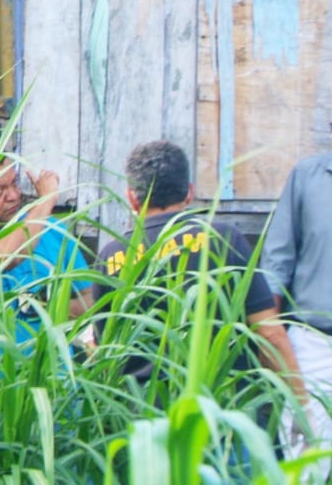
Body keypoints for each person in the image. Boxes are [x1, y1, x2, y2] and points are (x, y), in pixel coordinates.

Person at [91, 141, 306, 407]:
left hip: (142, 420)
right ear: (189, 193)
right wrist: (302, 405)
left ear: (132, 197)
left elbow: (105, 350)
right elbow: (269, 333)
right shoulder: (224, 240)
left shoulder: (111, 256)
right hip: (220, 413)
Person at [263, 83, 332, 453]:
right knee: (303, 464)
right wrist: (270, 335)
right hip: (311, 343)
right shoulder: (307, 177)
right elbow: (278, 259)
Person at [0, 136, 92, 343]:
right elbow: (4, 257)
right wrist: (47, 199)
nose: (13, 195)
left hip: (54, 371)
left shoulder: (52, 229)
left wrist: (44, 307)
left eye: (14, 183)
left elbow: (91, 299)